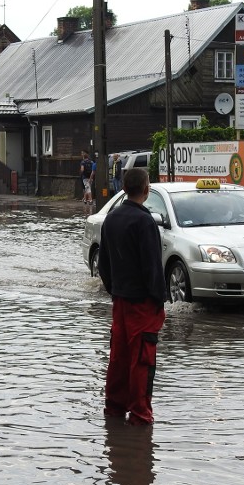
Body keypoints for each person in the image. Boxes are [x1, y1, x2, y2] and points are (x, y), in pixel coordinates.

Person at [97, 168, 166, 426]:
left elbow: (103, 264)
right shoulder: (145, 222)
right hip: (142, 303)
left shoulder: (111, 218)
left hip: (120, 301)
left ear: (124, 188)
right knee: (141, 360)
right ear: (146, 190)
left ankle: (114, 408)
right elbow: (152, 267)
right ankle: (140, 415)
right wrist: (159, 301)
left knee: (119, 357)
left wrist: (114, 290)